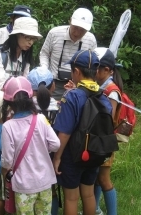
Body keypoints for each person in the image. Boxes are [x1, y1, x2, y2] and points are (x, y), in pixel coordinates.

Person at [0, 16, 42, 194]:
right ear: (16, 35)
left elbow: (25, 83)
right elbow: (0, 83)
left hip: (11, 106)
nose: (30, 42)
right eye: (27, 37)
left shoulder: (25, 58)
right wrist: (23, 91)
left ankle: (2, 185)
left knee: (5, 145)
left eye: (33, 39)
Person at [53, 49, 109, 215]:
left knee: (71, 198)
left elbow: (64, 133)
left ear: (76, 71)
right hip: (94, 152)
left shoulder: (72, 97)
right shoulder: (102, 95)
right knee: (89, 193)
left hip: (73, 155)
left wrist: (57, 157)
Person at [1, 76, 60, 214]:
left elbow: (7, 160)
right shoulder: (41, 119)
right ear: (31, 96)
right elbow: (56, 144)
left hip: (23, 185)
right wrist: (42, 148)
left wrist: (4, 172)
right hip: (45, 181)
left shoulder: (8, 127)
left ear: (8, 102)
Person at [39, 8, 97, 100]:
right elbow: (44, 53)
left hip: (78, 85)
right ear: (70, 21)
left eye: (82, 30)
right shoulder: (54, 33)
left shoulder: (90, 40)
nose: (77, 33)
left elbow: (92, 66)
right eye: (75, 27)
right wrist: (45, 73)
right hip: (53, 83)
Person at [93, 47, 123, 215]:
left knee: (104, 179)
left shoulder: (112, 91)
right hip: (99, 140)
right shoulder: (100, 86)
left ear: (107, 70)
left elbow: (108, 118)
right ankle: (95, 209)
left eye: (96, 68)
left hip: (105, 142)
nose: (93, 71)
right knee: (97, 175)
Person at [26, 66, 59, 215]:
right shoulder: (58, 106)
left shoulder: (26, 107)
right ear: (52, 85)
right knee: (50, 187)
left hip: (28, 152)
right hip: (50, 152)